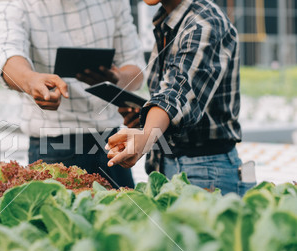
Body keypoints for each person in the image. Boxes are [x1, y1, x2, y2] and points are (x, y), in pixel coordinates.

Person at [0, 0, 147, 188]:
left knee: (124, 215)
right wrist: (31, 81)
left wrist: (117, 78)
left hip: (112, 142)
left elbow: (135, 66)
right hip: (53, 145)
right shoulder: (12, 3)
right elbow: (7, 54)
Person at [106, 0, 256, 195]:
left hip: (204, 171)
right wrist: (145, 121)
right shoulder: (169, 19)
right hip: (174, 165)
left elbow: (177, 92)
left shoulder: (204, 22)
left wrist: (148, 134)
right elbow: (171, 92)